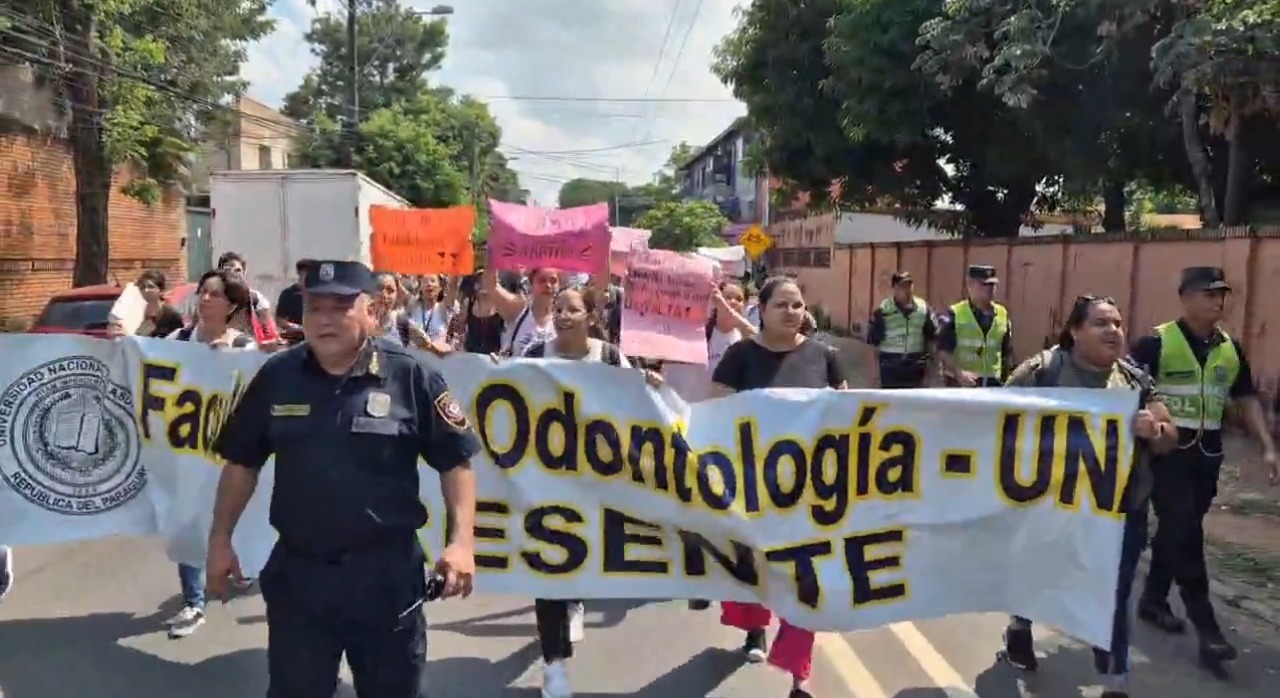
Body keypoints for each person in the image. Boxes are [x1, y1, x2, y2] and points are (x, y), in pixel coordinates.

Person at [205, 260, 478, 698]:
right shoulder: (278, 377)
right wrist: (220, 539)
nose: (325, 319)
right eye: (315, 308)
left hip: (386, 580)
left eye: (341, 307)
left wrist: (462, 542)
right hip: (302, 580)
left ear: (371, 313)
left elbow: (456, 464)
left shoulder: (410, 376)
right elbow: (241, 464)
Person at [999, 295, 1178, 698]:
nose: (1114, 330)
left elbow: (1171, 435)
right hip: (1051, 505)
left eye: (1117, 323)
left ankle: (1116, 680)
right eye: (1101, 323)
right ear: (1075, 330)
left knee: (1115, 591)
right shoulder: (1042, 372)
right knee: (1038, 572)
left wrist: (1157, 432)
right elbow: (997, 419)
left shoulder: (1133, 381)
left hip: (1119, 512)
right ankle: (1020, 628)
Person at [1127, 266, 1279, 670]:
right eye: (1209, 294)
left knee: (1183, 526)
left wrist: (1266, 447)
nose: (1219, 302)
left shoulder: (1230, 348)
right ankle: (1208, 630)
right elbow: (1125, 388)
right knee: (1185, 533)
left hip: (1208, 455)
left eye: (1222, 295)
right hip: (1166, 451)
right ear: (1186, 297)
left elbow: (1246, 398)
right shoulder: (1156, 343)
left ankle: (1153, 599)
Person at [517, 286, 662, 698]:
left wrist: (649, 381)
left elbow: (639, 403)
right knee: (547, 566)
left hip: (599, 483)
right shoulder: (533, 356)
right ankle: (554, 666)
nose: (563, 316)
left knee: (580, 555)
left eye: (573, 309)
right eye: (558, 309)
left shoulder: (611, 358)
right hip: (544, 480)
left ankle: (575, 599)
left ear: (590, 316)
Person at [710, 276, 846, 698]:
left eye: (798, 304)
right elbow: (715, 415)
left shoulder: (825, 357)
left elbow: (847, 415)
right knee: (756, 572)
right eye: (782, 304)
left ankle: (800, 676)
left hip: (808, 492)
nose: (792, 311)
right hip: (752, 492)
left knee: (806, 578)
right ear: (761, 310)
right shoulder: (739, 356)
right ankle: (755, 631)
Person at [160, 269, 257, 638]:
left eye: (214, 295)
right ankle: (193, 602)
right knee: (187, 520)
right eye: (202, 293)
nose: (204, 300)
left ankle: (238, 563)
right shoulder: (180, 338)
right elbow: (149, 364)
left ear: (230, 305)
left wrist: (229, 362)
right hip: (187, 453)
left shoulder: (243, 346)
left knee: (230, 515)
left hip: (228, 454)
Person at [937, 264, 1013, 387]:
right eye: (984, 285)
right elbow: (943, 351)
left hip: (993, 384)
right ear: (970, 285)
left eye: (992, 285)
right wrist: (960, 374)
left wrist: (1008, 380)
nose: (989, 289)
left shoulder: (1002, 313)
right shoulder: (956, 313)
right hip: (962, 384)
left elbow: (1006, 352)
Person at [866, 271, 937, 388]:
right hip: (890, 366)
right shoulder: (884, 310)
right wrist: (875, 374)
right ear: (894, 288)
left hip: (916, 365)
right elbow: (873, 343)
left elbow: (931, 338)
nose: (907, 290)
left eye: (909, 286)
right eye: (902, 286)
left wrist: (932, 370)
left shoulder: (923, 308)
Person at [487, 267, 560, 356]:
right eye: (542, 280)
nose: (548, 285)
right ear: (531, 285)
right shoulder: (518, 310)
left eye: (553, 281)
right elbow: (490, 286)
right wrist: (494, 260)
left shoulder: (563, 318)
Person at [218, 251, 280, 346]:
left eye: (238, 270)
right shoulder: (212, 297)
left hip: (247, 350)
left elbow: (270, 331)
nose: (233, 274)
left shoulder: (255, 298)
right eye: (228, 270)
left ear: (244, 272)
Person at [135, 269, 186, 337]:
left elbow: (180, 338)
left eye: (150, 287)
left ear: (160, 290)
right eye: (143, 287)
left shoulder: (170, 314)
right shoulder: (135, 311)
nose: (146, 290)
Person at [275, 259, 313, 345]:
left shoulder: (320, 295)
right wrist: (298, 328)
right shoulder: (288, 294)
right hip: (293, 338)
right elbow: (280, 320)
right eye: (303, 276)